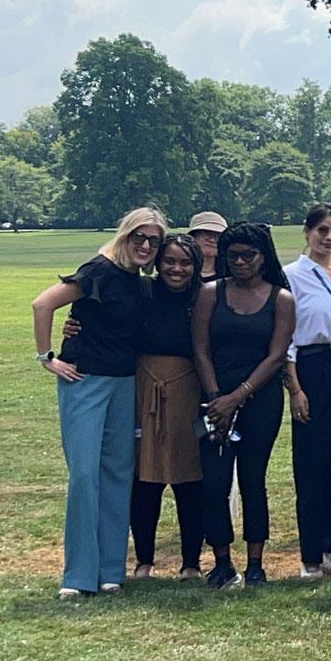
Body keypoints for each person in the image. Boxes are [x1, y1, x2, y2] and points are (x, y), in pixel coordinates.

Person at [32, 207, 162, 600]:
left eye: (153, 240)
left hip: (124, 382)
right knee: (85, 476)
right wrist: (47, 358)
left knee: (118, 474)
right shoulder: (99, 271)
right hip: (85, 380)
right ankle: (78, 574)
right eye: (139, 237)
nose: (145, 245)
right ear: (125, 236)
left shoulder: (140, 283)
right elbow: (43, 304)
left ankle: (110, 570)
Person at [192, 222, 295, 589]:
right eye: (232, 255)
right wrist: (216, 398)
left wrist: (238, 396)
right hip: (213, 399)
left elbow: (276, 355)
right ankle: (221, 561)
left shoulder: (280, 298)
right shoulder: (209, 293)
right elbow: (201, 349)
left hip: (260, 399)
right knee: (214, 483)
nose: (239, 262)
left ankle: (255, 564)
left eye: (247, 255)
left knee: (253, 481)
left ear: (263, 256)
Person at [126, 233, 206, 580]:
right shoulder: (141, 292)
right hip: (144, 391)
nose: (177, 269)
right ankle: (144, 559)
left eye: (185, 262)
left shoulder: (204, 297)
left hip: (190, 390)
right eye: (169, 261)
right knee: (145, 478)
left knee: (191, 479)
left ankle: (191, 562)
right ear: (158, 262)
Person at [283, 204, 331, 580]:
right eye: (321, 230)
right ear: (307, 232)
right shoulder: (292, 276)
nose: (328, 239)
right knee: (311, 464)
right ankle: (311, 551)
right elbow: (287, 335)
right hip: (310, 367)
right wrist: (295, 388)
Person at [188, 211, 227, 281]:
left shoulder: (231, 274)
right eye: (206, 233)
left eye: (218, 235)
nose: (212, 240)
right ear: (193, 236)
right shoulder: (181, 272)